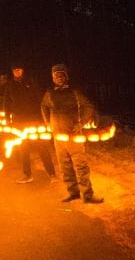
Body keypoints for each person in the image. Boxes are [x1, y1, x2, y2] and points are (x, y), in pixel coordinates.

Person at [41, 64, 103, 204]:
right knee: (65, 166)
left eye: (61, 75)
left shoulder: (74, 91)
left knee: (80, 166)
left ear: (66, 77)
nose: (59, 78)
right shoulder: (50, 92)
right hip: (58, 136)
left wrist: (81, 123)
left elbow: (89, 106)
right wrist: (47, 122)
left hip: (73, 135)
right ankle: (73, 193)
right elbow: (43, 105)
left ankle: (87, 195)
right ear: (53, 78)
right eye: (56, 76)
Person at [2, 64, 57, 183]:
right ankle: (27, 175)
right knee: (23, 149)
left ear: (23, 70)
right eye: (14, 70)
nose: (17, 71)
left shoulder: (31, 82)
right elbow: (6, 104)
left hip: (34, 120)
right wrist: (7, 120)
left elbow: (41, 100)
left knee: (41, 147)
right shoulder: (9, 86)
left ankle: (52, 174)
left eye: (19, 69)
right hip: (19, 122)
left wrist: (43, 118)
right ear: (12, 71)